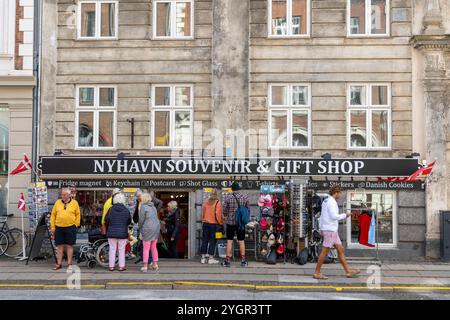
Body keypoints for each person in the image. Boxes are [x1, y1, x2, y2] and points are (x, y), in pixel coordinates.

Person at [313, 186, 360, 280]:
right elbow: (334, 216)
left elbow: (322, 216)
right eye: (340, 193)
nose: (340, 195)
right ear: (336, 192)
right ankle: (317, 272)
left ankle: (348, 271)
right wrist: (345, 215)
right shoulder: (331, 202)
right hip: (330, 230)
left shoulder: (326, 201)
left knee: (340, 249)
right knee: (324, 252)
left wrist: (321, 228)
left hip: (331, 230)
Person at [50, 188, 81, 271]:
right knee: (59, 246)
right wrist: (52, 227)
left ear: (69, 195)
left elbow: (78, 214)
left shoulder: (74, 203)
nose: (62, 196)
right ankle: (59, 264)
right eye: (62, 194)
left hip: (71, 227)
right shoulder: (57, 202)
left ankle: (69, 263)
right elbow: (53, 215)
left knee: (70, 246)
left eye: (64, 195)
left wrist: (76, 224)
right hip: (59, 227)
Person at [221, 182, 250, 268]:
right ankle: (243, 261)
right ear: (239, 189)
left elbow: (225, 210)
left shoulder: (228, 197)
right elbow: (248, 209)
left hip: (230, 222)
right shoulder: (244, 197)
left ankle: (227, 260)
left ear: (232, 189)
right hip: (240, 223)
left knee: (229, 241)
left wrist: (226, 216)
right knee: (241, 241)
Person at [104, 192, 131, 272]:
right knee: (121, 250)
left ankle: (111, 266)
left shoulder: (111, 209)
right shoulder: (126, 210)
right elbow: (129, 221)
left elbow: (106, 219)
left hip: (111, 232)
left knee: (112, 249)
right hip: (122, 232)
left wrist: (110, 226)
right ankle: (121, 266)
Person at [138, 193, 161, 272]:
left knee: (146, 248)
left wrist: (140, 228)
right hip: (156, 228)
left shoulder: (143, 207)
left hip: (147, 228)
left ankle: (145, 266)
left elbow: (141, 220)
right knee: (154, 247)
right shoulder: (153, 207)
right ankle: (155, 264)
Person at [200, 189, 222, 264]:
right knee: (212, 241)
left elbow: (202, 213)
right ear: (217, 195)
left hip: (205, 224)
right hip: (214, 224)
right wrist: (220, 222)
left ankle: (203, 258)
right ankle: (210, 258)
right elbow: (218, 214)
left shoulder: (206, 202)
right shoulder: (217, 203)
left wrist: (203, 219)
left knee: (205, 240)